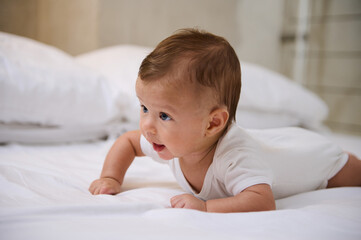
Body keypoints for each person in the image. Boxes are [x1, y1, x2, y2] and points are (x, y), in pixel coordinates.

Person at [89, 28, 361, 213]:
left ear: (212, 124)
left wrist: (205, 207)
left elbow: (261, 201)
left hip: (317, 159)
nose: (147, 125)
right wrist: (111, 177)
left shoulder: (234, 156)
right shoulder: (171, 140)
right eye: (144, 108)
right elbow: (127, 142)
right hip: (276, 146)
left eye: (164, 115)